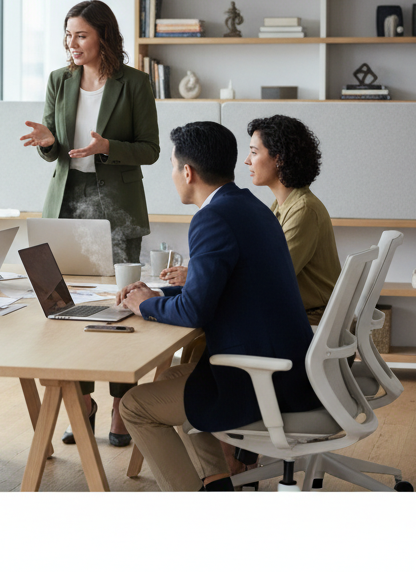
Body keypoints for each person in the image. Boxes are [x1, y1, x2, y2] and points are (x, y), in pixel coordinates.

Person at [115, 121, 319, 491]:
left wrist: (145, 307)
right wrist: (159, 297)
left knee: (134, 407)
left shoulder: (212, 218)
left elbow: (196, 312)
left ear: (188, 172)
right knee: (171, 378)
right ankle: (216, 482)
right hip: (288, 364)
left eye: (173, 166)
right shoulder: (250, 206)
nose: (173, 174)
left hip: (263, 378)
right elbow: (223, 289)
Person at [19, 0, 159, 448]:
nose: (72, 44)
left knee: (120, 307)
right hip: (66, 200)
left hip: (115, 201)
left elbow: (150, 149)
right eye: (67, 35)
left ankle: (121, 404)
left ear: (102, 35)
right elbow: (53, 147)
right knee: (61, 304)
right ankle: (81, 401)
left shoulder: (134, 83)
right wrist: (47, 142)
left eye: (81, 35)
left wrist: (107, 147)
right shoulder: (59, 81)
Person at [160, 115, 341, 325]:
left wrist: (201, 279)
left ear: (279, 159)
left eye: (254, 152)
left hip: (310, 320)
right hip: (295, 312)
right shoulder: (281, 206)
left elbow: (269, 277)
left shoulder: (304, 210)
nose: (247, 160)